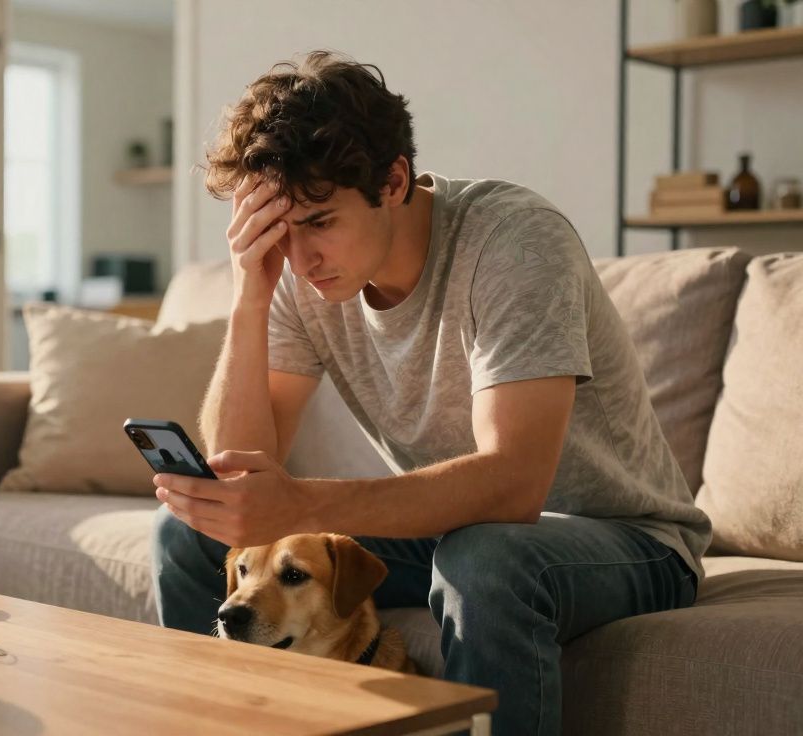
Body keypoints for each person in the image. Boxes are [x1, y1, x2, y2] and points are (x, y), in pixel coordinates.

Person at [150, 51, 706, 736]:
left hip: (626, 540)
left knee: (487, 557)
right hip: (453, 533)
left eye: (320, 221)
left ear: (394, 180)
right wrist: (250, 295)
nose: (300, 257)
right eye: (281, 230)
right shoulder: (298, 274)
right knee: (192, 533)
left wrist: (300, 501)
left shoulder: (513, 241)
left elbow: (514, 485)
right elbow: (241, 467)